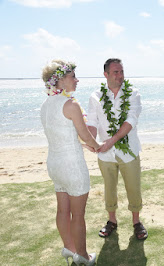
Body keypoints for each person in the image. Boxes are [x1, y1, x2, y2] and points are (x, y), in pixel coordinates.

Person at [40, 59, 101, 266]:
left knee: (62, 210)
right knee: (78, 214)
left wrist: (86, 144)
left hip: (54, 164)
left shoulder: (45, 105)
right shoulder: (71, 104)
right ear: (60, 80)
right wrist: (97, 146)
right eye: (72, 76)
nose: (76, 80)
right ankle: (83, 256)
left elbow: (61, 135)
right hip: (72, 166)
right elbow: (84, 134)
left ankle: (69, 248)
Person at [87, 58, 148, 240]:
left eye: (121, 71)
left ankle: (136, 222)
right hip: (105, 154)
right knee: (109, 188)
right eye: (115, 72)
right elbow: (91, 123)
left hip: (129, 151)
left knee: (133, 187)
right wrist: (90, 141)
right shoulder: (95, 96)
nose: (120, 75)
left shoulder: (133, 93)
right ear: (105, 74)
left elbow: (131, 120)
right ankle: (111, 221)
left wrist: (110, 141)